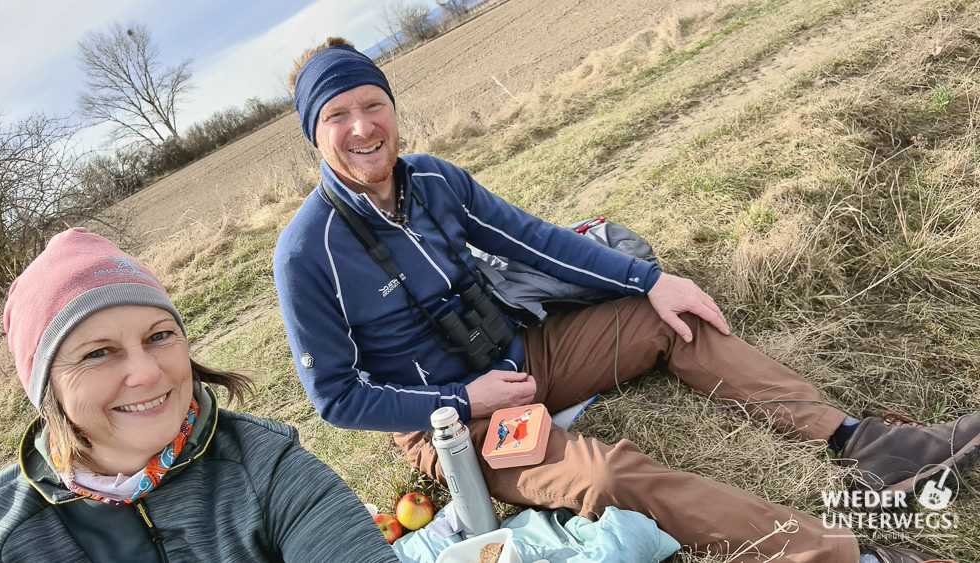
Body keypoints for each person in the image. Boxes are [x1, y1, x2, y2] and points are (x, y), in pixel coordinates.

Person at [273, 37, 978, 562]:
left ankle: (866, 442)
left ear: (393, 109)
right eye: (338, 114)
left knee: (668, 319)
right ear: (315, 134)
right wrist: (463, 403)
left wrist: (651, 281)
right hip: (450, 425)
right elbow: (336, 397)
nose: (363, 126)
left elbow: (535, 241)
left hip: (525, 356)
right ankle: (846, 554)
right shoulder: (307, 252)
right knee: (608, 474)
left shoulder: (432, 179)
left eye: (374, 104)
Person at [0, 228, 399, 563]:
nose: (146, 373)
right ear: (44, 385)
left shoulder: (268, 469)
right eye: (98, 353)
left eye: (159, 335)